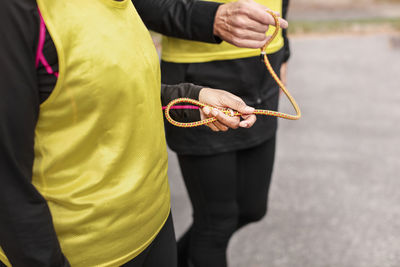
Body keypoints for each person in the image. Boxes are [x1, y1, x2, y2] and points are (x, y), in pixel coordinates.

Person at [0, 0, 286, 266]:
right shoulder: (19, 13)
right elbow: (8, 189)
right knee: (215, 223)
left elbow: (115, 87)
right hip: (88, 253)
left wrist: (190, 98)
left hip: (155, 229)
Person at [160, 0, 291, 266]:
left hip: (263, 68)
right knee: (215, 222)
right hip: (197, 73)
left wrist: (284, 48)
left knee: (252, 208)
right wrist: (210, 18)